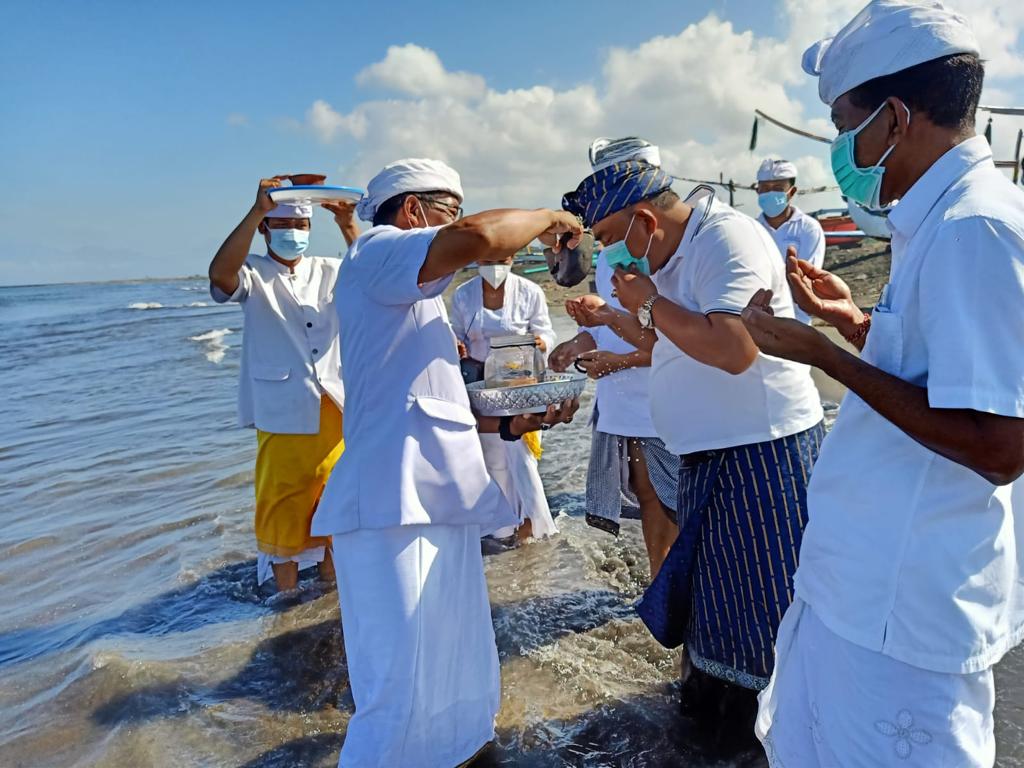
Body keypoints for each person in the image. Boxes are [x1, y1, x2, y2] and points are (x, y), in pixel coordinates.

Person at [742, 3, 1024, 766]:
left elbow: (1001, 444)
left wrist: (824, 356)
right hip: (868, 582)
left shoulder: (974, 228)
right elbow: (953, 378)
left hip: (904, 604)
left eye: (844, 123)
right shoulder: (939, 222)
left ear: (896, 117)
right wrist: (855, 326)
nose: (839, 147)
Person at [310, 158, 582, 768]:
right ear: (412, 212)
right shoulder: (382, 250)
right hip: (391, 502)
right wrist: (550, 219)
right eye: (447, 212)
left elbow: (430, 394)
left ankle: (459, 755)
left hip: (436, 497)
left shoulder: (409, 286)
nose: (454, 230)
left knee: (457, 665)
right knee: (400, 682)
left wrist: (512, 423)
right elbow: (484, 237)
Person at [561, 159, 824, 754]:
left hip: (761, 456)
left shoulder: (724, 240)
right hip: (711, 456)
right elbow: (663, 340)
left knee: (761, 611)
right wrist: (614, 318)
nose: (608, 257)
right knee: (713, 606)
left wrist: (649, 303)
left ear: (645, 221)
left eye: (607, 239)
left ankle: (762, 740)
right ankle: (711, 725)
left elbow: (734, 350)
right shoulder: (669, 256)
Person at [208, 175, 359, 591]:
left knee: (334, 496)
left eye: (302, 226)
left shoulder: (329, 269)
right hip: (282, 407)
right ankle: (285, 596)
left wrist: (348, 225)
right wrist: (257, 206)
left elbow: (372, 275)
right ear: (264, 229)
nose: (294, 233)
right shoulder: (253, 273)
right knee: (283, 501)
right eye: (283, 225)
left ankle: (330, 588)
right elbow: (220, 277)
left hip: (335, 403)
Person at [549, 135, 679, 580]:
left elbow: (678, 341)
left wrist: (617, 361)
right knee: (646, 493)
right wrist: (577, 344)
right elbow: (607, 320)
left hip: (669, 393)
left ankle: (684, 588)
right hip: (626, 401)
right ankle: (663, 584)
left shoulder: (668, 253)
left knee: (682, 499)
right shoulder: (609, 255)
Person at [450, 254, 559, 543]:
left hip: (521, 384)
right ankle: (499, 529)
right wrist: (456, 345)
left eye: (503, 257)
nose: (496, 264)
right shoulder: (464, 295)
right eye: (489, 257)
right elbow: (454, 333)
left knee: (521, 460)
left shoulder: (529, 291)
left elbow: (546, 330)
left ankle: (529, 526)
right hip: (480, 388)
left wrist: (542, 342)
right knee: (492, 458)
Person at [754, 158, 826, 324]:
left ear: (792, 192)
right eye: (764, 189)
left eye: (778, 189)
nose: (770, 194)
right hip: (756, 319)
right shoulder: (751, 228)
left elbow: (805, 280)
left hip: (795, 319)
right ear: (757, 191)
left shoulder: (808, 228)